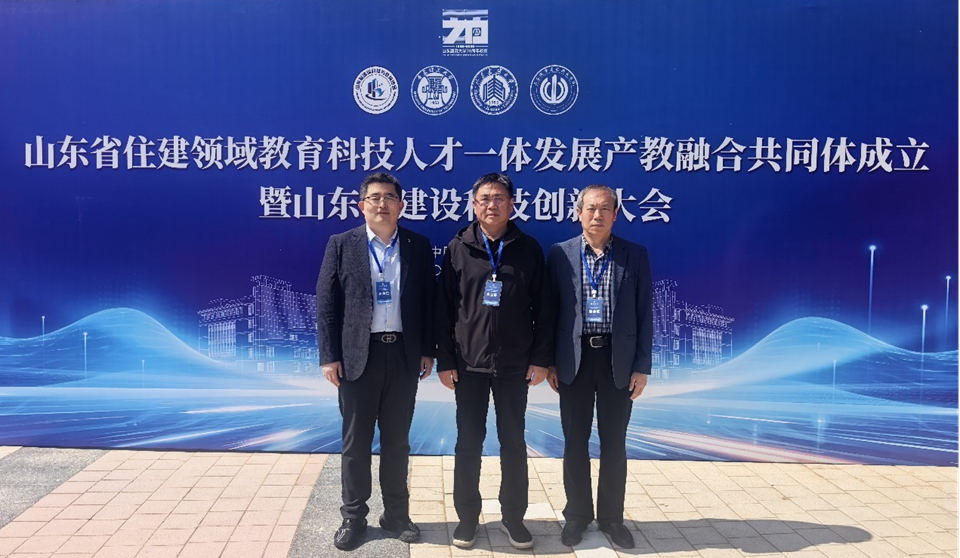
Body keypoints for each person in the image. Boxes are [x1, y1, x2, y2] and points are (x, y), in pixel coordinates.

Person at [316, 172, 436, 551]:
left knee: (397, 441)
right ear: (361, 205)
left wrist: (428, 349)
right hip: (357, 357)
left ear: (401, 205)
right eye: (374, 197)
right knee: (356, 443)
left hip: (402, 355)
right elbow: (327, 304)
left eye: (389, 197)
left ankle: (396, 514)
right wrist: (329, 356)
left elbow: (429, 302)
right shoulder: (342, 244)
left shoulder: (418, 245)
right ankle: (354, 517)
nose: (382, 204)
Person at [435, 173, 552, 550]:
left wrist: (541, 358)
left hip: (515, 365)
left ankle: (513, 518)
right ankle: (467, 519)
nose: (491, 205)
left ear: (512, 204)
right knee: (468, 444)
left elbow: (545, 309)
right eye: (484, 198)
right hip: (467, 365)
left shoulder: (528, 249)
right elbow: (443, 309)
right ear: (474, 205)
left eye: (499, 198)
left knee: (513, 444)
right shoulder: (458, 248)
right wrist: (445, 360)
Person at [546, 184, 652, 549]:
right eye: (590, 208)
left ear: (616, 214)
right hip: (574, 360)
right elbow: (550, 311)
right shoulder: (560, 254)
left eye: (605, 208)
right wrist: (550, 362)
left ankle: (611, 518)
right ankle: (576, 516)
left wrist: (641, 366)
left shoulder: (634, 255)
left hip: (617, 361)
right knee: (574, 441)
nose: (597, 215)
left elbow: (645, 313)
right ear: (578, 213)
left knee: (614, 444)